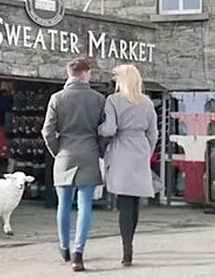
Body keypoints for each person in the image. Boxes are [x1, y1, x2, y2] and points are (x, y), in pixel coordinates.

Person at [42, 58, 105, 272]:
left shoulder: (57, 98)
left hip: (65, 154)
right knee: (85, 204)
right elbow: (104, 130)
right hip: (89, 152)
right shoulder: (98, 99)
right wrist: (100, 149)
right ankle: (79, 252)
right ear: (86, 73)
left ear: (69, 73)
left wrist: (57, 151)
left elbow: (47, 131)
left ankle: (64, 247)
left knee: (64, 205)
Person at [98, 64, 159, 267]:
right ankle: (130, 243)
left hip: (122, 148)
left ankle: (127, 250)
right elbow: (153, 133)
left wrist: (99, 130)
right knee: (134, 201)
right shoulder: (147, 103)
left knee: (124, 202)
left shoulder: (113, 100)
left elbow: (110, 129)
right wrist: (147, 151)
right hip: (140, 149)